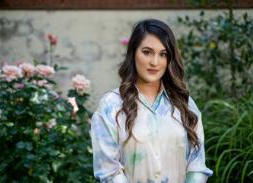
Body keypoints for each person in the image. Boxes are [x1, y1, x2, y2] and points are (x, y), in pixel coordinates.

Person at [90, 19, 213, 183]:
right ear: (133, 52)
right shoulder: (111, 106)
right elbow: (109, 171)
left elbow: (196, 167)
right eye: (147, 52)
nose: (155, 62)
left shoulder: (185, 105)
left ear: (169, 59)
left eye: (163, 54)